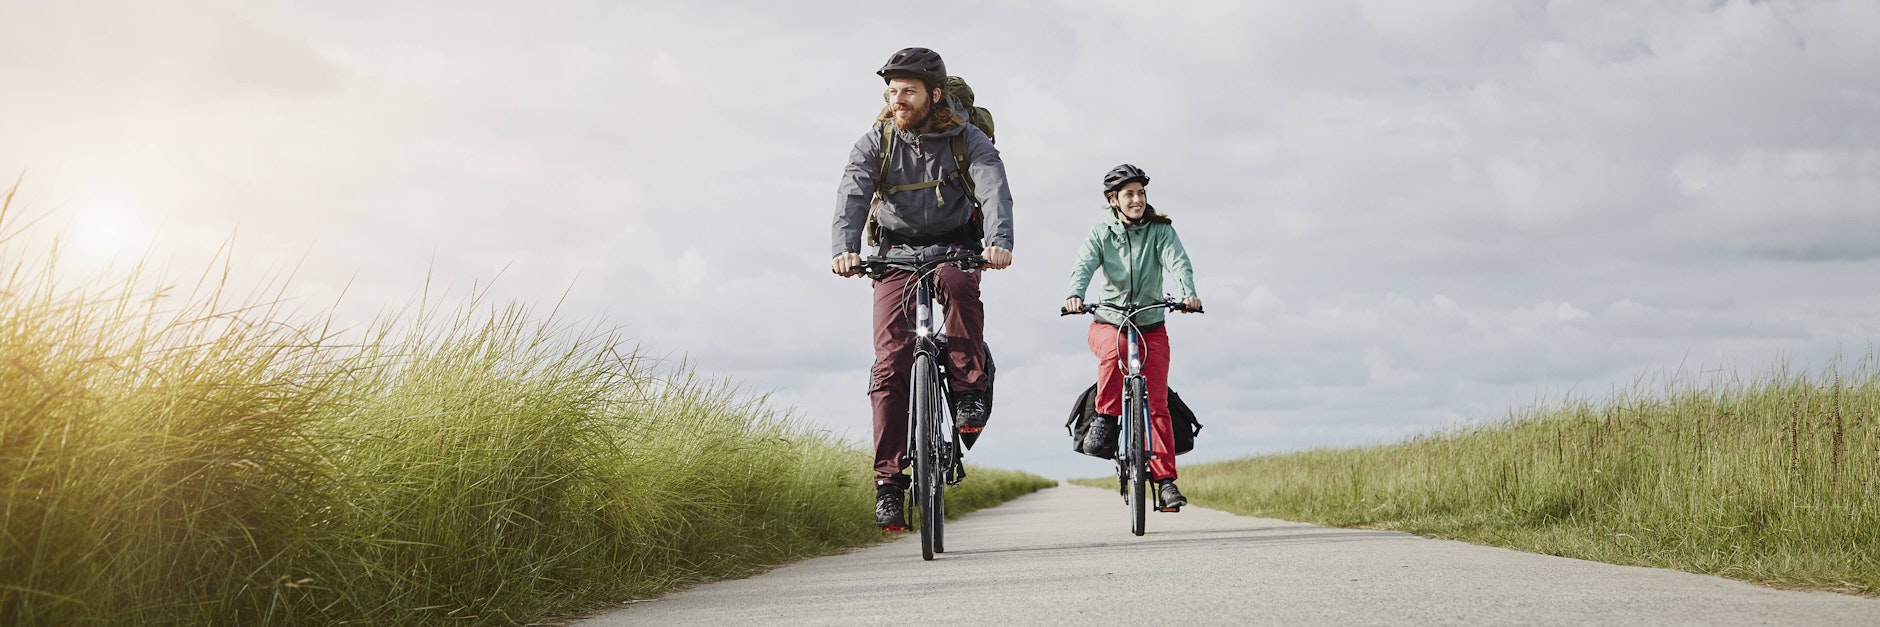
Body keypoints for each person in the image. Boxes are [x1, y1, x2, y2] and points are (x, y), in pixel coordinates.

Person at [831, 47, 1014, 531]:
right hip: (894, 254)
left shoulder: (965, 137)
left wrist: (998, 242)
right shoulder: (877, 141)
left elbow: (992, 185)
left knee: (958, 286)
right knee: (890, 361)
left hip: (955, 247)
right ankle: (890, 484)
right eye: (892, 91)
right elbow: (853, 191)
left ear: (934, 94)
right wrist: (844, 248)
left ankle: (968, 389)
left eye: (908, 91)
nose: (898, 100)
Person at [1064, 164, 1200, 510]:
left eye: (1141, 193)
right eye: (1129, 194)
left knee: (1157, 405)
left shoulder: (1160, 231)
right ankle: (1106, 418)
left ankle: (1166, 482)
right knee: (1116, 351)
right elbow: (1083, 265)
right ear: (1114, 200)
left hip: (1152, 325)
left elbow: (1178, 262)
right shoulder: (1100, 233)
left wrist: (1188, 294)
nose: (1137, 199)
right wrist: (1074, 295)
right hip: (1109, 323)